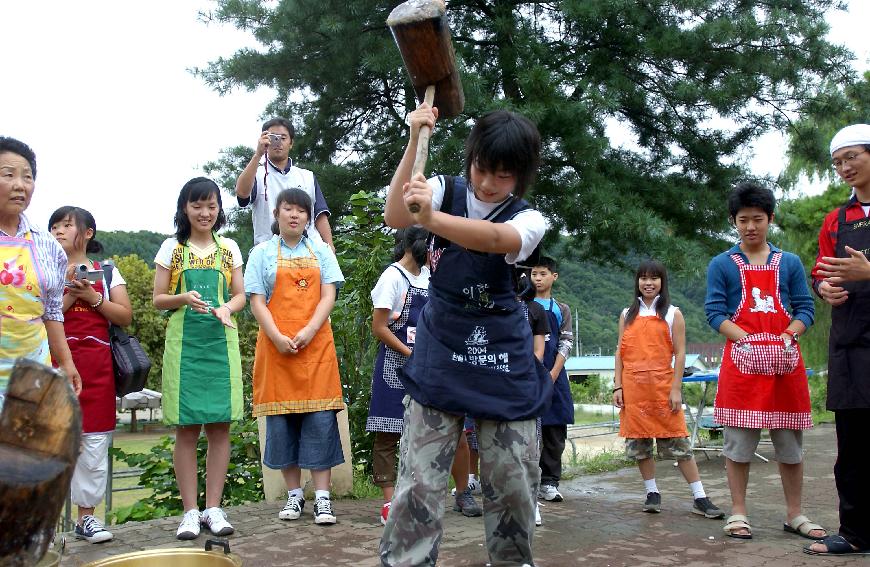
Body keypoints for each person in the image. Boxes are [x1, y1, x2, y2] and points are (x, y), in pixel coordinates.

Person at [379, 105, 552, 566]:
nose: (488, 183)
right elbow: (397, 214)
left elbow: (495, 240)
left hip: (502, 357)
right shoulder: (443, 188)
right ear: (469, 156)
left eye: (503, 175)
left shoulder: (530, 219)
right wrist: (416, 139)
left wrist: (431, 220)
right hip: (441, 349)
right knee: (419, 482)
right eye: (481, 167)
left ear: (520, 176)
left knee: (513, 481)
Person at [705, 181, 825, 541]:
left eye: (757, 219)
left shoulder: (788, 263)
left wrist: (788, 336)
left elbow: (805, 308)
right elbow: (714, 313)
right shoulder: (722, 264)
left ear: (770, 219)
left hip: (786, 366)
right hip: (742, 366)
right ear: (734, 221)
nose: (750, 226)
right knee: (738, 445)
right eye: (743, 220)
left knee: (790, 445)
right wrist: (749, 341)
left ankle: (795, 514)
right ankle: (738, 513)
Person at [367, 227, 482, 525]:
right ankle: (390, 501)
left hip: (435, 366)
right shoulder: (391, 277)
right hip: (396, 366)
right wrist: (410, 353)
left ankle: (461, 492)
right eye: (429, 244)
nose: (433, 251)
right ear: (412, 245)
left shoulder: (432, 277)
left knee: (454, 431)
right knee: (389, 434)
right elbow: (379, 327)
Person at [245, 188, 345, 526]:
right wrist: (277, 336)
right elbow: (256, 300)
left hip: (315, 347)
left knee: (320, 423)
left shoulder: (322, 250)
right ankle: (294, 496)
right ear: (276, 214)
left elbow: (328, 294)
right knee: (282, 423)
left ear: (308, 217)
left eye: (302, 210)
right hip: (276, 349)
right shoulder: (260, 253)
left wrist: (308, 331)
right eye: (288, 208)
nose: (294, 215)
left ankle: (323, 500)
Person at [153, 177, 245, 540]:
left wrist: (225, 308)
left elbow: (240, 295)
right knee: (187, 429)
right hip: (185, 348)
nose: (205, 213)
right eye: (197, 205)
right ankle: (190, 511)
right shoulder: (170, 249)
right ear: (185, 209)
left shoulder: (230, 249)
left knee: (221, 427)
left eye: (211, 206)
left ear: (219, 209)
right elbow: (158, 298)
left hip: (221, 345)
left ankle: (214, 508)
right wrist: (183, 298)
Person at [49, 206, 133, 544]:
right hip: (55, 363)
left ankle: (87, 517)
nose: (58, 231)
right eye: (54, 225)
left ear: (87, 233)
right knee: (50, 442)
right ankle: (45, 523)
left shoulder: (109, 271)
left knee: (94, 443)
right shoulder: (44, 270)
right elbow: (42, 315)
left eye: (67, 225)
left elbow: (124, 316)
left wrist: (94, 297)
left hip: (98, 366)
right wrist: (72, 293)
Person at [614, 260, 723, 519]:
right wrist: (617, 385)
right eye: (643, 278)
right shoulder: (626, 314)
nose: (648, 283)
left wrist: (676, 389)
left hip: (663, 388)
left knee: (680, 443)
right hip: (634, 389)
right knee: (640, 445)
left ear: (662, 282)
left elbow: (681, 353)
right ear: (637, 282)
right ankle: (651, 492)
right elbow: (620, 352)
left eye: (654, 278)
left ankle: (700, 497)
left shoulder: (673, 313)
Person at [806, 124, 870, 556]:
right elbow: (820, 270)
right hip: (850, 345)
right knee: (853, 449)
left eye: (852, 157)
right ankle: (855, 533)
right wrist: (824, 288)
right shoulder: (838, 218)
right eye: (838, 161)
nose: (845, 167)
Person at [0, 137, 81, 411]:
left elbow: (53, 312)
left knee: (23, 453)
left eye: (27, 177)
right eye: (8, 175)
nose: (19, 185)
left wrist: (67, 363)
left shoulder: (47, 245)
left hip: (32, 374)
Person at [235, 117, 334, 249]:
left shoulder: (307, 176)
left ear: (291, 143)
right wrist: (258, 154)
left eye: (283, 138)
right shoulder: (256, 174)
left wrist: (330, 245)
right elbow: (241, 194)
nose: (278, 142)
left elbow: (319, 214)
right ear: (265, 140)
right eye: (273, 137)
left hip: (309, 250)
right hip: (269, 251)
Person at [530, 257, 574, 503]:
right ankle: (529, 482)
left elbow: (566, 341)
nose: (537, 278)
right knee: (528, 430)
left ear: (553, 277)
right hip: (528, 376)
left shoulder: (562, 308)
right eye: (534, 273)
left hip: (555, 375)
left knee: (555, 430)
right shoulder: (522, 305)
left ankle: (550, 482)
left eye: (543, 273)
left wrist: (554, 372)